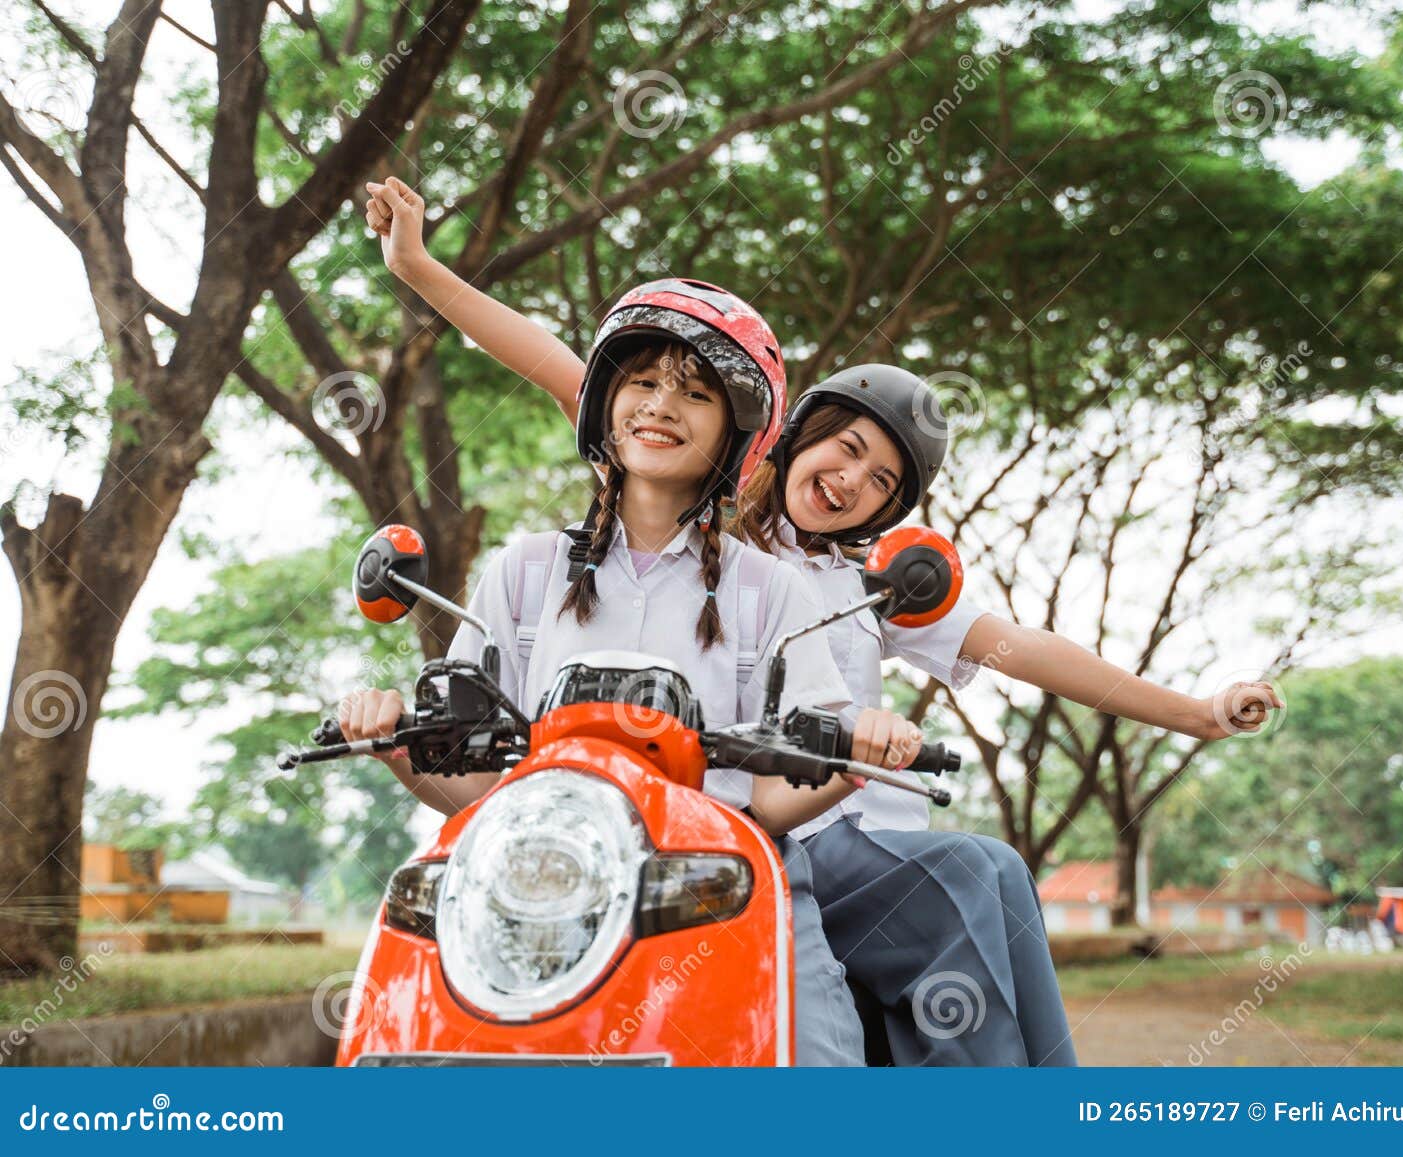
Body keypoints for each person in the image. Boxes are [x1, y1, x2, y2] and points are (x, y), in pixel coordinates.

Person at [357, 176, 1283, 1065]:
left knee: (981, 881)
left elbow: (1024, 650)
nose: (851, 481)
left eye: (882, 481)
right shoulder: (593, 529)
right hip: (595, 837)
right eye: (846, 448)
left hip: (794, 833)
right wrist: (419, 270)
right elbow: (573, 363)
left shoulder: (844, 580)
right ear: (786, 435)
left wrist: (1195, 712)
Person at [339, 281, 926, 1065]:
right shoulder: (525, 571)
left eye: (693, 392)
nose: (660, 405)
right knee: (404, 1046)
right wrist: (396, 745)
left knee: (816, 1065)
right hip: (541, 877)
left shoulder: (770, 588)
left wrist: (857, 753)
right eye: (643, 381)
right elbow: (477, 794)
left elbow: (770, 800)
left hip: (726, 879)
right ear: (604, 404)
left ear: (739, 431)